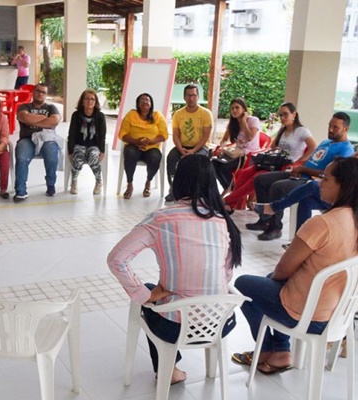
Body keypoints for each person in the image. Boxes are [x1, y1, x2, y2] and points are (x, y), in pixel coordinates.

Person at [108, 154, 242, 385]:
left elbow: (116, 259)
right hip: (220, 323)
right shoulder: (223, 221)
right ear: (211, 182)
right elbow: (226, 274)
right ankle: (187, 368)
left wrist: (145, 294)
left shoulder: (161, 219)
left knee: (149, 296)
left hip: (174, 328)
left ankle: (168, 370)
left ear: (177, 181)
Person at [233, 156, 358, 374]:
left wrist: (276, 281)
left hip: (310, 315)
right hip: (338, 314)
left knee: (242, 285)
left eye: (326, 179)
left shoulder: (323, 223)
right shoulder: (352, 219)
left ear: (343, 185)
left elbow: (284, 269)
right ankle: (281, 351)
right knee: (272, 280)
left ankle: (267, 349)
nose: (319, 183)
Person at [247, 112, 355, 241]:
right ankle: (265, 221)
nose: (330, 130)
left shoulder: (346, 150)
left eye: (335, 127)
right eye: (329, 125)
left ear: (346, 129)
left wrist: (304, 169)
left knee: (278, 187)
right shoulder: (326, 142)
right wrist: (298, 167)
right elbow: (312, 159)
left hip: (312, 180)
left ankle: (275, 227)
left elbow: (332, 176)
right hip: (302, 173)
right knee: (261, 179)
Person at [222, 102, 316, 210]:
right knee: (244, 173)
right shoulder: (283, 130)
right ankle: (233, 204)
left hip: (287, 166)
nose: (282, 118)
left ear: (294, 114)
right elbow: (272, 147)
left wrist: (298, 163)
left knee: (258, 177)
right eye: (280, 115)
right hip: (275, 162)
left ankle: (227, 200)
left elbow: (313, 148)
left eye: (285, 114)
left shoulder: (302, 131)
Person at [14, 83, 62, 202]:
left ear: (46, 95)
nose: (40, 94)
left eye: (43, 92)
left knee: (52, 154)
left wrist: (32, 120)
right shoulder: (24, 106)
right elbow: (24, 118)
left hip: (47, 139)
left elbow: (54, 121)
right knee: (21, 158)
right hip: (27, 139)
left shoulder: (51, 108)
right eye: (38, 91)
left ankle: (50, 185)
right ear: (33, 92)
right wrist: (45, 120)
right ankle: (21, 191)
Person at [165, 84, 213, 202]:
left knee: (197, 160)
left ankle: (197, 191)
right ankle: (173, 189)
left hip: (200, 147)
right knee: (171, 158)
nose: (191, 98)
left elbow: (206, 136)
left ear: (198, 97)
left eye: (193, 95)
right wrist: (181, 149)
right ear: (184, 97)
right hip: (182, 146)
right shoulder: (178, 114)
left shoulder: (206, 113)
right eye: (188, 95)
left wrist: (193, 151)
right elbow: (175, 135)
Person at [118, 93, 168, 199]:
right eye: (142, 100)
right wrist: (135, 141)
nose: (145, 102)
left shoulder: (157, 116)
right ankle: (130, 184)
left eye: (147, 100)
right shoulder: (131, 115)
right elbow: (122, 134)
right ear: (138, 103)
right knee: (130, 153)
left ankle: (148, 181)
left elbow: (164, 135)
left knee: (155, 157)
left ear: (151, 104)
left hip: (151, 147)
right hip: (134, 145)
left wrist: (151, 141)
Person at [211, 97, 260, 192]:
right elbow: (224, 139)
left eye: (237, 107)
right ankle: (229, 188)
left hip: (249, 156)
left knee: (224, 168)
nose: (234, 110)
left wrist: (243, 122)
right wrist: (222, 147)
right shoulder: (232, 124)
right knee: (213, 163)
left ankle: (234, 191)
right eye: (232, 108)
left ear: (244, 109)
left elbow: (250, 137)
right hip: (236, 154)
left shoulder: (253, 120)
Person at [67, 89, 106, 195]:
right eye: (87, 99)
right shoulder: (76, 115)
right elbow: (71, 134)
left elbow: (102, 136)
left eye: (92, 99)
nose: (90, 101)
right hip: (79, 145)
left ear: (96, 102)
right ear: (82, 101)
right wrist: (70, 151)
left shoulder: (100, 117)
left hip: (94, 146)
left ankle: (98, 182)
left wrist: (102, 151)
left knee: (93, 156)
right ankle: (74, 182)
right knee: (78, 157)